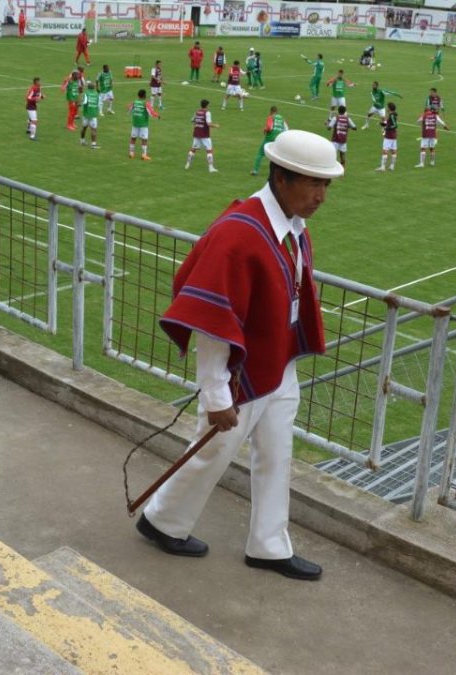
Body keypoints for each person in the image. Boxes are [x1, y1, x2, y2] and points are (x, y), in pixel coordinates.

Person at [137, 129, 344, 582]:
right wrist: (215, 394)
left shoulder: (292, 227)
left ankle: (269, 546)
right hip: (240, 374)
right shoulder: (239, 233)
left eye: (326, 185)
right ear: (282, 178)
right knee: (213, 451)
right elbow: (214, 319)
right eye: (313, 183)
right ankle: (162, 520)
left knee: (277, 454)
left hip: (278, 365)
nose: (321, 196)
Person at [184, 99, 219, 173]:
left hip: (197, 133)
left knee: (193, 149)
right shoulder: (207, 113)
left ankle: (187, 164)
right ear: (206, 105)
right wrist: (215, 126)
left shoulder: (197, 112)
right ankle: (211, 168)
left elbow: (192, 120)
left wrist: (198, 124)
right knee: (209, 150)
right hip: (205, 134)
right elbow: (208, 124)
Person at [250, 105, 287, 175]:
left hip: (270, 137)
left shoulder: (271, 117)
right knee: (275, 156)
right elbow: (286, 129)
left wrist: (265, 129)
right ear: (277, 111)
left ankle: (255, 170)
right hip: (278, 138)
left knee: (260, 153)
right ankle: (278, 173)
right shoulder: (282, 118)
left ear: (271, 111)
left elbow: (269, 127)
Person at [128, 88, 160, 160]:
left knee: (133, 138)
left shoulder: (134, 102)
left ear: (138, 95)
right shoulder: (146, 103)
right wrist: (157, 115)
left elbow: (129, 109)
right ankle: (144, 155)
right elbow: (151, 112)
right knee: (144, 139)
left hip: (135, 123)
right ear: (144, 95)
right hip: (143, 124)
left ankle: (131, 153)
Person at [376, 101, 399, 171]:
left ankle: (382, 167)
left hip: (389, 135)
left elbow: (395, 125)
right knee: (393, 151)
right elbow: (391, 124)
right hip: (394, 135)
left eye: (387, 107)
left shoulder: (392, 115)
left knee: (385, 151)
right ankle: (392, 166)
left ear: (390, 108)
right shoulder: (394, 115)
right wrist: (383, 124)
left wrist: (387, 128)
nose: (387, 108)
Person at [78, 80, 101, 149]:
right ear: (93, 88)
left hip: (86, 114)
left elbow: (84, 102)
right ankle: (93, 144)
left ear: (88, 87)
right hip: (93, 114)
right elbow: (98, 103)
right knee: (93, 129)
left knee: (84, 127)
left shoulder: (86, 93)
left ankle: (82, 140)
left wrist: (79, 104)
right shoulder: (97, 94)